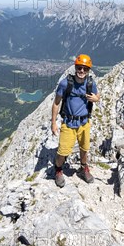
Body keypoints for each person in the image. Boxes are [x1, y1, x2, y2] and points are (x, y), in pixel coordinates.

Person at [51, 54, 100, 188]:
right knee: (63, 151)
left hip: (84, 123)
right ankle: (59, 170)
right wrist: (53, 123)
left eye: (85, 69)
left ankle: (84, 169)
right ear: (75, 67)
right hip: (69, 123)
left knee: (84, 149)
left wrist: (96, 99)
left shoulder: (90, 83)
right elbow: (56, 103)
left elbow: (97, 95)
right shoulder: (65, 83)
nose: (82, 71)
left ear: (88, 70)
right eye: (79, 68)